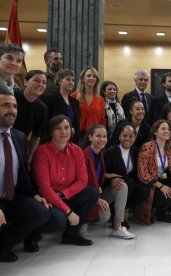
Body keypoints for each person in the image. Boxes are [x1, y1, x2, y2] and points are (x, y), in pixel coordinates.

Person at [32, 115, 99, 246]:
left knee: (92, 193)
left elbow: (83, 180)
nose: (63, 132)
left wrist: (64, 194)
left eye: (66, 127)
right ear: (51, 132)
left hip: (66, 195)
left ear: (71, 130)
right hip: (48, 199)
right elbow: (44, 188)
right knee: (60, 221)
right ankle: (33, 234)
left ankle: (71, 235)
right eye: (58, 128)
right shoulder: (42, 152)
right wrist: (68, 212)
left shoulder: (77, 150)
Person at [0, 88, 50, 262]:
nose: (12, 110)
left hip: (11, 197)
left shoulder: (19, 137)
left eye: (14, 106)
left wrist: (34, 194)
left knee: (41, 212)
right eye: (6, 105)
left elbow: (22, 173)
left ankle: (3, 244)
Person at [82, 125, 135, 239]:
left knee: (122, 186)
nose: (102, 139)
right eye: (98, 136)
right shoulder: (83, 155)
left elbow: (96, 172)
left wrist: (108, 176)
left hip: (96, 193)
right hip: (85, 197)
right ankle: (81, 222)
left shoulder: (100, 153)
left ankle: (117, 227)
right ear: (90, 137)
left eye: (104, 136)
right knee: (104, 215)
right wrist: (97, 199)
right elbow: (81, 183)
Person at [138, 120, 171, 223]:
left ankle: (162, 211)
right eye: (163, 129)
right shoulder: (147, 147)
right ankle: (154, 209)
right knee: (154, 191)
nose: (167, 131)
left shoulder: (170, 148)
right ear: (155, 132)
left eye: (168, 129)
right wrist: (161, 186)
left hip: (163, 177)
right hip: (150, 183)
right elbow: (143, 173)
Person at [104, 122, 140, 228]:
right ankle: (118, 218)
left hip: (129, 183)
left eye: (131, 136)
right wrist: (110, 180)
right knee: (127, 183)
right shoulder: (110, 152)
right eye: (124, 136)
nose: (127, 139)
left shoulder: (135, 151)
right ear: (119, 136)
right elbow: (103, 173)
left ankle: (122, 211)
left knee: (142, 189)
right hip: (112, 185)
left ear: (135, 137)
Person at [13, 70, 48, 164]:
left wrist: (30, 157)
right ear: (25, 82)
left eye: (44, 82)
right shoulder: (12, 96)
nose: (40, 84)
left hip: (19, 146)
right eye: (36, 80)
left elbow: (36, 137)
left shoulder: (42, 109)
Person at [43, 69, 80, 144]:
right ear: (60, 81)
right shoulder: (50, 98)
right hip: (54, 140)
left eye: (73, 80)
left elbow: (76, 124)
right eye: (68, 79)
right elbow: (45, 122)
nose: (71, 82)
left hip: (71, 141)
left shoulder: (75, 102)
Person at [71, 66, 106, 137]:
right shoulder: (73, 97)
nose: (92, 78)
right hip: (77, 136)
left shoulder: (101, 100)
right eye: (88, 76)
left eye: (94, 76)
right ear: (83, 79)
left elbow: (102, 121)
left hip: (95, 137)